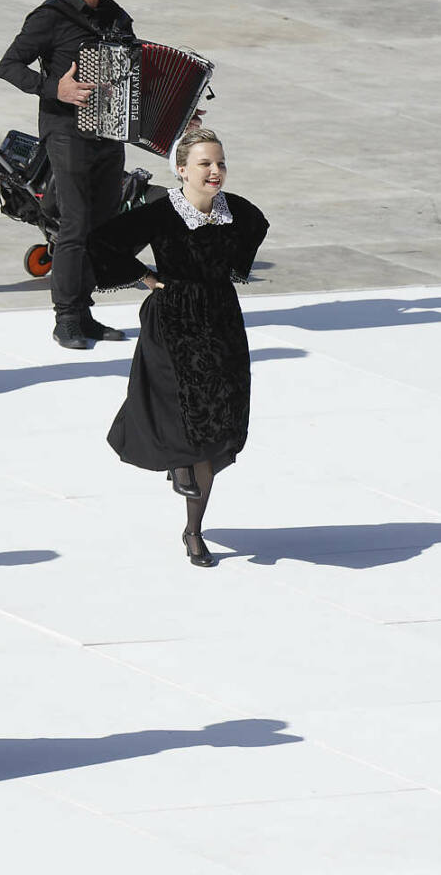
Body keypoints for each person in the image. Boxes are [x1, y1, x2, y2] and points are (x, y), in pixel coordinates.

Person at [86, 129, 268, 568]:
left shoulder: (238, 211)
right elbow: (102, 241)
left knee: (217, 415)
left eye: (220, 163)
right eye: (205, 164)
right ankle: (187, 494)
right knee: (181, 404)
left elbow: (258, 226)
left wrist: (232, 270)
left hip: (220, 317)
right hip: (173, 318)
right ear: (182, 169)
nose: (215, 171)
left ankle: (192, 523)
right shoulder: (162, 212)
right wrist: (144, 277)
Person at [0, 0, 135, 350]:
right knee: (73, 223)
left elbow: (137, 74)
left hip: (109, 133)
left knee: (102, 224)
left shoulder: (116, 17)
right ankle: (65, 318)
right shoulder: (51, 16)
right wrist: (55, 88)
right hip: (66, 132)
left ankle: (85, 311)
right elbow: (9, 66)